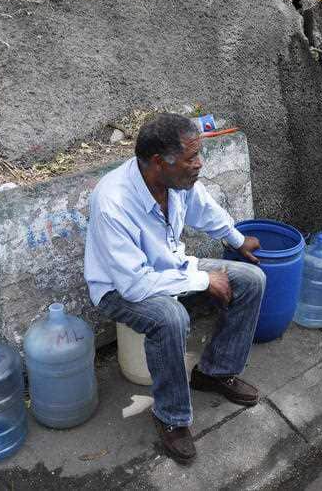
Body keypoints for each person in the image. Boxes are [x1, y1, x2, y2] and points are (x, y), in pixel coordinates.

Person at [84, 112, 265, 464]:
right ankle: (171, 417)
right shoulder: (112, 202)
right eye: (191, 158)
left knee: (251, 280)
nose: (198, 165)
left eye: (199, 155)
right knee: (170, 317)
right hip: (119, 288)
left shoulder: (177, 181)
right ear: (158, 162)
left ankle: (215, 372)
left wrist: (238, 239)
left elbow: (205, 209)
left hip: (172, 268)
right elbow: (135, 284)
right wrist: (203, 280)